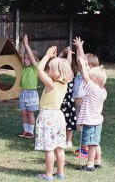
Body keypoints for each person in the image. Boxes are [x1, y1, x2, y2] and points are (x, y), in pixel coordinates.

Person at [34, 46, 73, 181]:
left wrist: (46, 55)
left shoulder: (51, 84)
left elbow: (39, 69)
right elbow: (65, 69)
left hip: (48, 117)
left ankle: (49, 175)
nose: (48, 70)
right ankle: (60, 173)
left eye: (50, 68)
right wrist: (55, 58)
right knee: (59, 147)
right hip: (59, 116)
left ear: (57, 72)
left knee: (49, 148)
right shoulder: (64, 83)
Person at [73, 37, 107, 172]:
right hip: (96, 121)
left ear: (96, 80)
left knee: (92, 144)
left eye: (91, 78)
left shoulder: (93, 88)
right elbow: (88, 74)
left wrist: (82, 60)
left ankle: (90, 164)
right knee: (96, 142)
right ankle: (97, 161)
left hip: (91, 122)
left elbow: (87, 77)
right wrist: (81, 55)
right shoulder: (102, 90)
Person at [73, 52, 100, 158]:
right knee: (82, 127)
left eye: (84, 64)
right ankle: (84, 147)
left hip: (86, 108)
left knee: (86, 128)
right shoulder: (84, 75)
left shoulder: (90, 79)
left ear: (91, 67)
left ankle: (85, 149)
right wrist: (79, 48)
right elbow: (80, 60)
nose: (81, 66)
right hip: (80, 104)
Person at [18, 35, 40, 139]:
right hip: (23, 93)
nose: (25, 60)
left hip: (31, 94)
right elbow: (22, 55)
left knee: (30, 114)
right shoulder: (24, 67)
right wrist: (23, 45)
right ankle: (26, 131)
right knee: (24, 113)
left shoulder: (35, 67)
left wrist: (27, 45)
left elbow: (31, 57)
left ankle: (31, 132)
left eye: (28, 59)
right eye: (25, 58)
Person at [58, 46, 77, 148]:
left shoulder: (69, 76)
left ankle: (68, 141)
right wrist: (61, 53)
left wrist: (69, 53)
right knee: (60, 123)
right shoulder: (59, 77)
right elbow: (56, 63)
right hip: (60, 103)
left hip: (69, 103)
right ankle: (61, 139)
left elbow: (67, 66)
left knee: (69, 123)